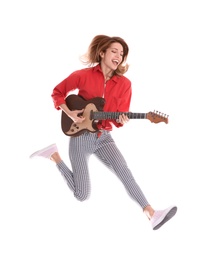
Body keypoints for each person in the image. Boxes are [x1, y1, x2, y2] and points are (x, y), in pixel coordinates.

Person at [30, 35, 177, 230]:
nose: (118, 56)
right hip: (80, 135)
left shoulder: (125, 84)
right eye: (114, 51)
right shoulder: (83, 75)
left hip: (103, 137)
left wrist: (121, 119)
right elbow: (57, 93)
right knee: (82, 195)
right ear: (102, 53)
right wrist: (70, 113)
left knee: (124, 171)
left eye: (122, 53)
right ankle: (54, 156)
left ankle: (151, 213)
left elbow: (118, 118)